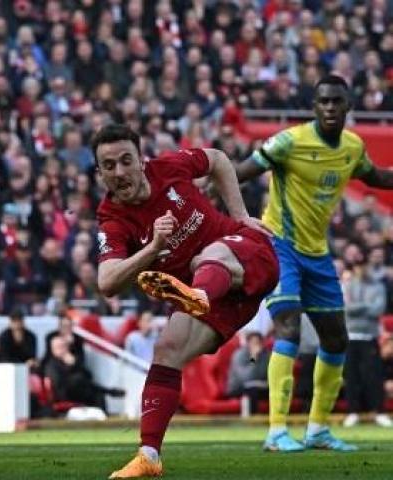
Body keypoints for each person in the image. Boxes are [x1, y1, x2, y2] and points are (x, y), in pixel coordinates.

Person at [93, 124, 278, 478]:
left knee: (206, 257)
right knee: (167, 350)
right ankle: (149, 456)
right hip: (217, 302)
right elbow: (107, 281)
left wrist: (239, 215)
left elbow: (218, 160)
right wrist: (152, 250)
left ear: (141, 160)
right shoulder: (113, 220)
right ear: (99, 173)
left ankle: (199, 293)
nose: (119, 172)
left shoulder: (170, 167)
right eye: (109, 166)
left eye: (125, 161)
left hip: (247, 255)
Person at [236, 74, 393, 452]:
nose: (329, 108)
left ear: (348, 106)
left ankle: (318, 429)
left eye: (336, 101)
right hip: (279, 245)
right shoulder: (290, 141)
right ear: (314, 107)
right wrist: (213, 200)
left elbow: (376, 177)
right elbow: (241, 171)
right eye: (322, 101)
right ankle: (276, 431)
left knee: (336, 338)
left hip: (317, 254)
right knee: (287, 326)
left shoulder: (352, 148)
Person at [340, 251, 391, 427]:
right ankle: (352, 412)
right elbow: (346, 308)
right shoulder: (347, 285)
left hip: (370, 336)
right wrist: (365, 308)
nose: (361, 269)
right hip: (351, 336)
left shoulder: (378, 286)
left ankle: (380, 412)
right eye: (357, 266)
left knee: (374, 376)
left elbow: (378, 309)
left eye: (363, 265)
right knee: (352, 376)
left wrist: (357, 308)